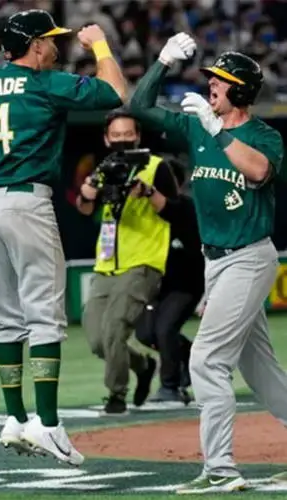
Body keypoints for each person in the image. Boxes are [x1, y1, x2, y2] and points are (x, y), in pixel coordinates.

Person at [0, 9, 126, 465]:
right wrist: (99, 45)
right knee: (45, 317)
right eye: (51, 40)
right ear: (35, 45)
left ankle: (14, 417)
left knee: (7, 319)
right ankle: (47, 424)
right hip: (27, 200)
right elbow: (115, 93)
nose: (57, 47)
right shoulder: (46, 83)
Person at [129, 36, 287, 493]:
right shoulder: (199, 125)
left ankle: (220, 468)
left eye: (220, 82)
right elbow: (139, 108)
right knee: (260, 369)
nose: (211, 87)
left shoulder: (263, 135)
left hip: (249, 258)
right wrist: (160, 62)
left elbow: (257, 172)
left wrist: (217, 132)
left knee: (207, 359)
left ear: (240, 92)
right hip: (215, 263)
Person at [75, 110, 179, 415]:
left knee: (115, 329)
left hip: (143, 261)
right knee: (97, 340)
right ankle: (143, 364)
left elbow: (175, 210)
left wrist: (147, 192)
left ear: (138, 136)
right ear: (107, 138)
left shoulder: (157, 167)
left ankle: (116, 395)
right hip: (107, 264)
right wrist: (86, 192)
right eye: (116, 136)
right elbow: (84, 208)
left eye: (128, 135)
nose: (122, 141)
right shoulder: (104, 168)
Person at [132, 160, 201, 406]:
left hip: (186, 284)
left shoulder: (185, 208)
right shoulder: (144, 212)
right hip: (157, 285)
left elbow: (199, 250)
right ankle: (191, 355)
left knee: (164, 329)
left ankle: (171, 387)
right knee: (145, 333)